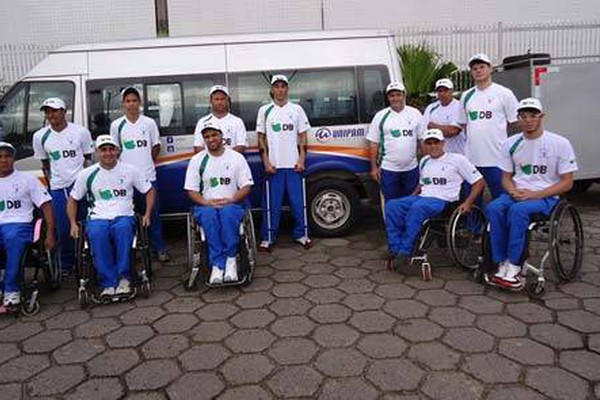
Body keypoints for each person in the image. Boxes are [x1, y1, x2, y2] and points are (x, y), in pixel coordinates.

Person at [485, 98, 578, 288]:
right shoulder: (510, 143)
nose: (528, 120)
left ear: (541, 117)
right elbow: (506, 177)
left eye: (533, 115)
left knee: (518, 211)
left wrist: (533, 195)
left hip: (546, 197)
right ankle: (501, 261)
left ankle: (516, 265)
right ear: (518, 118)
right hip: (516, 193)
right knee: (494, 208)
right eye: (523, 116)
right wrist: (512, 190)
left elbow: (567, 183)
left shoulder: (560, 143)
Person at [67, 135, 155, 297]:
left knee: (123, 229)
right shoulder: (87, 174)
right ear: (97, 152)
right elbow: (73, 200)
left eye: (111, 149)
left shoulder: (130, 170)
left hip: (124, 215)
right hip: (98, 217)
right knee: (97, 233)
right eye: (104, 150)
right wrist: (72, 223)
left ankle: (124, 279)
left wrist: (147, 214)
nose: (108, 153)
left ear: (117, 151)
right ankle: (108, 282)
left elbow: (149, 190)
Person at [385, 129, 484, 268]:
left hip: (444, 201)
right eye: (429, 143)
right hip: (422, 197)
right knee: (392, 205)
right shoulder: (425, 161)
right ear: (425, 145)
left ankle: (405, 251)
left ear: (443, 143)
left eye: (436, 142)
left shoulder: (458, 159)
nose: (433, 146)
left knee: (417, 208)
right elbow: (423, 183)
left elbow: (479, 182)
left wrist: (468, 203)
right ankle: (395, 249)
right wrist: (412, 196)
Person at [184, 120, 254, 284]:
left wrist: (232, 199)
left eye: (214, 135)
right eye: (207, 136)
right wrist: (206, 203)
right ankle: (217, 264)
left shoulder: (236, 158)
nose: (211, 139)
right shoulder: (197, 160)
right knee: (209, 217)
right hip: (205, 205)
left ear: (222, 136)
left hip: (232, 203)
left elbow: (246, 186)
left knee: (228, 214)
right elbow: (191, 190)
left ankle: (231, 260)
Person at [32, 97, 94, 274]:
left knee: (85, 223)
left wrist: (84, 183)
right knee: (63, 227)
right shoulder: (40, 136)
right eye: (47, 111)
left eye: (54, 111)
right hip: (59, 188)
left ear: (64, 111)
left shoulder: (81, 132)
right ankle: (67, 264)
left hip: (80, 185)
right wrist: (54, 183)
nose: (51, 115)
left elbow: (88, 159)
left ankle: (88, 258)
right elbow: (45, 164)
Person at [110, 87, 170, 262]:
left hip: (147, 177)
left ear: (139, 103)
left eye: (134, 100)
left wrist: (145, 164)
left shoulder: (148, 123)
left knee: (152, 215)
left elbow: (156, 146)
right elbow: (115, 151)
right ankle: (133, 250)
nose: (131, 104)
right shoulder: (117, 125)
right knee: (128, 217)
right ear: (123, 104)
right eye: (128, 101)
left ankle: (159, 248)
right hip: (125, 181)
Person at [257, 74, 312, 252]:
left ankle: (301, 235)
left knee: (298, 203)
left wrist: (301, 159)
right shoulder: (264, 110)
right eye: (276, 86)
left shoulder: (296, 110)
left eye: (283, 86)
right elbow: (261, 138)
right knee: (272, 205)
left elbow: (303, 136)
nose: (280, 90)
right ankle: (268, 238)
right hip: (274, 167)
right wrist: (266, 162)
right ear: (272, 89)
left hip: (294, 166)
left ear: (287, 89)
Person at [0, 142, 55, 307]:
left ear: (13, 159)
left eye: (7, 156)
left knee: (13, 238)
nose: (3, 160)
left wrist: (50, 233)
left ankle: (11, 290)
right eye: (0, 157)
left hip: (20, 225)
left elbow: (46, 206)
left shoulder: (28, 179)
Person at [459, 53, 520, 200]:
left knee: (502, 199)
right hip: (472, 159)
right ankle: (475, 224)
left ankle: (501, 224)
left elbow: (516, 123)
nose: (478, 71)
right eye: (475, 68)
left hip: (497, 159)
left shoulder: (504, 93)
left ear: (490, 69)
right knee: (472, 201)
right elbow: (464, 125)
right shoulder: (466, 96)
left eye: (482, 67)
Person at [367, 81, 423, 202]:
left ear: (404, 95)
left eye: (398, 94)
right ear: (388, 98)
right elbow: (374, 143)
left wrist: (425, 166)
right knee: (391, 204)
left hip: (411, 169)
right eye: (392, 95)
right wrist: (374, 167)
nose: (395, 98)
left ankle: (408, 222)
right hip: (389, 170)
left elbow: (422, 141)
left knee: (411, 201)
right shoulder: (380, 116)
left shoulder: (415, 114)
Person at [193, 85, 247, 153]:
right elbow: (198, 147)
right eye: (216, 99)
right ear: (211, 101)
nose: (219, 102)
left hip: (231, 162)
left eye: (222, 99)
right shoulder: (202, 122)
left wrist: (223, 158)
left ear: (227, 100)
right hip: (210, 163)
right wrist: (214, 159)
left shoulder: (237, 121)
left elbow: (241, 146)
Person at [421, 78, 466, 155]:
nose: (442, 94)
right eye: (440, 91)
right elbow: (426, 132)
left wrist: (433, 126)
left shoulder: (460, 106)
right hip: (437, 156)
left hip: (458, 154)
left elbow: (452, 132)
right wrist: (445, 128)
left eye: (445, 90)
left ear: (452, 91)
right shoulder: (431, 108)